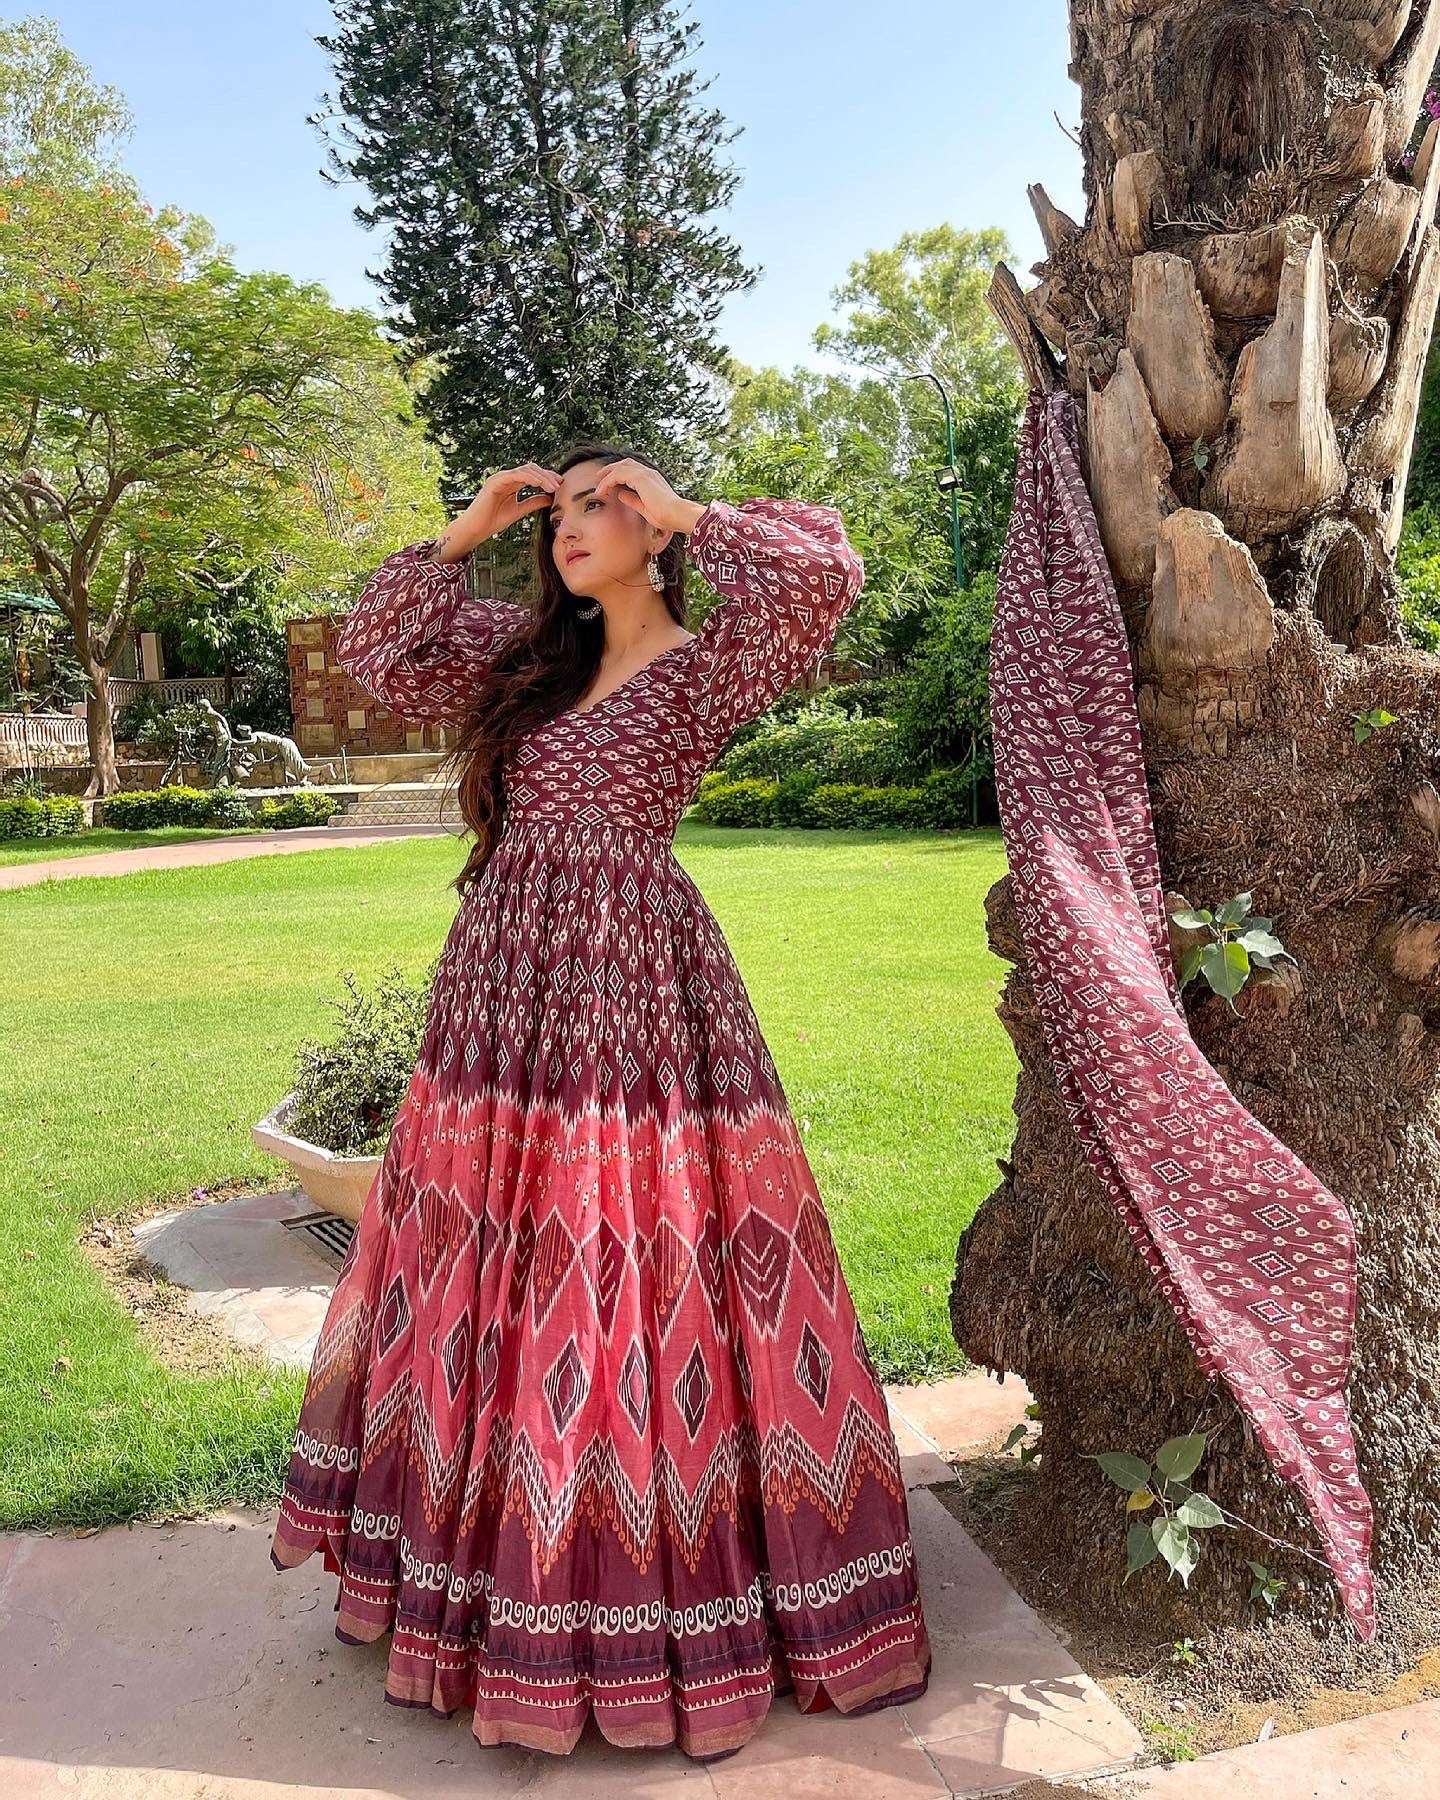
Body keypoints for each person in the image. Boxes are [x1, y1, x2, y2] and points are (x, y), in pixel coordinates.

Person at [267, 445, 933, 1761]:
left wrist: (681, 506)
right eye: (559, 512)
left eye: (598, 505)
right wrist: (468, 527)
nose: (570, 528)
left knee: (616, 1253)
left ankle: (623, 1590)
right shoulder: (529, 659)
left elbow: (821, 576)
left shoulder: (705, 663)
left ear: (650, 526)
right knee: (488, 1263)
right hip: (501, 993)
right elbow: (378, 650)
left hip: (633, 987)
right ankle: (479, 1583)